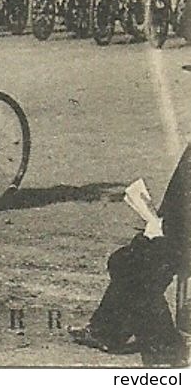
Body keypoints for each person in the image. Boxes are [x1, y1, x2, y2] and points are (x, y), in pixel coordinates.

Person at [70, 144, 191, 366]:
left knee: (136, 267)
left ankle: (165, 349)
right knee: (130, 258)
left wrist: (164, 230)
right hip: (179, 234)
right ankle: (108, 330)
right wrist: (157, 223)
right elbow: (179, 200)